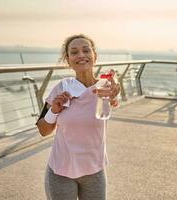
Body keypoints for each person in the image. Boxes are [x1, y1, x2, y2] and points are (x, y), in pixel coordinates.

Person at [36, 34, 120, 200]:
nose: (81, 55)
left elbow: (113, 100)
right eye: (74, 52)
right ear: (68, 60)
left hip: (94, 171)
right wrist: (54, 110)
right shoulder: (62, 88)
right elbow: (43, 129)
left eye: (86, 50)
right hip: (61, 171)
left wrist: (114, 96)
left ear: (94, 55)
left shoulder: (105, 87)